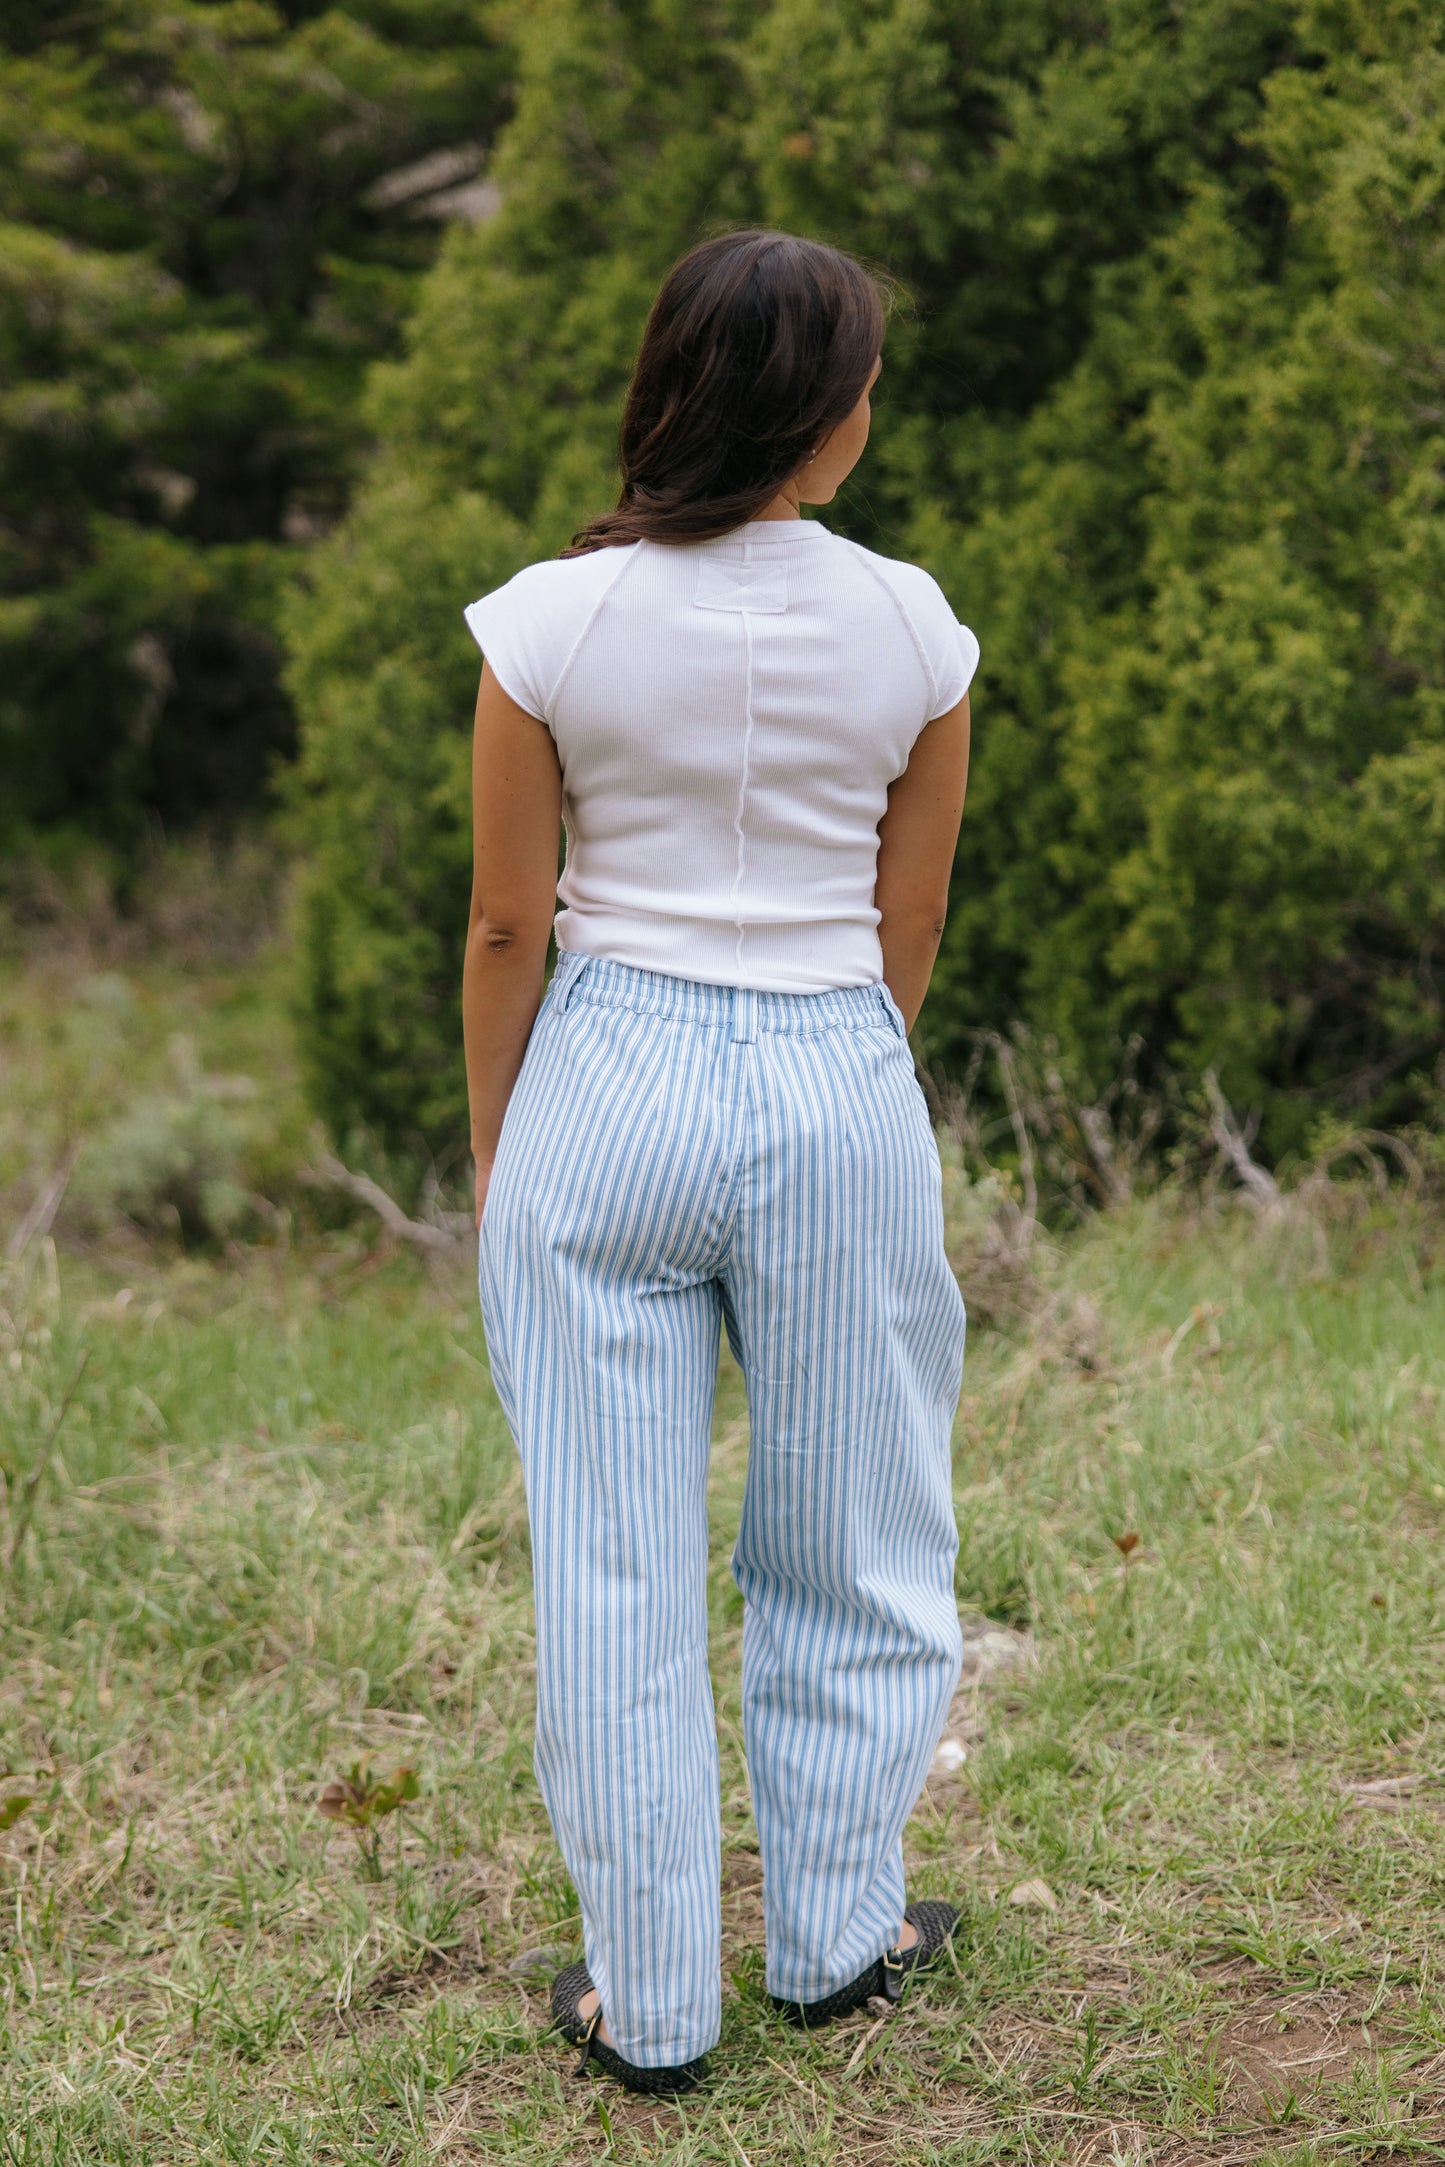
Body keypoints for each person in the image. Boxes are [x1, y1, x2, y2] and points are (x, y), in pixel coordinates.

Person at [461, 228, 978, 2097]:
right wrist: (844, 1068)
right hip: (836, 1066)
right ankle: (840, 1937)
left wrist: (504, 1147)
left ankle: (650, 1999)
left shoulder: (547, 623)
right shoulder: (915, 626)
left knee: (607, 1559)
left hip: (603, 1076)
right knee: (852, 1529)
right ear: (819, 418)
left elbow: (508, 927)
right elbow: (902, 907)